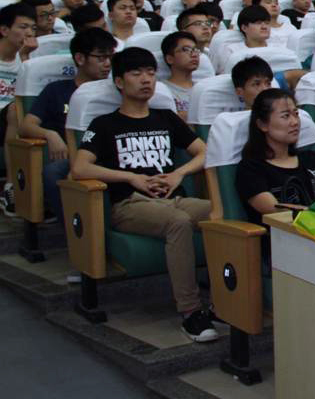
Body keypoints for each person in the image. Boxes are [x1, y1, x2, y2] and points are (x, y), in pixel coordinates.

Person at [72, 48, 217, 342]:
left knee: (219, 212)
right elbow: (80, 167)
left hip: (173, 197)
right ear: (119, 82)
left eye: (151, 73)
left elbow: (205, 152)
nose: (146, 80)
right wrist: (131, 177)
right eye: (136, 73)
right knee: (178, 222)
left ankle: (226, 301)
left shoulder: (166, 117)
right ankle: (190, 312)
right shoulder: (104, 124)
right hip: (129, 204)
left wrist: (179, 173)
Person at [18, 28, 116, 225]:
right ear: (80, 58)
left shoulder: (116, 90)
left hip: (112, 153)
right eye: (100, 58)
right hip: (73, 154)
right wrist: (50, 134)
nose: (107, 64)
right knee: (54, 172)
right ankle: (76, 230)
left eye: (110, 57)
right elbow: (26, 125)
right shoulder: (57, 90)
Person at [235, 89, 315, 247]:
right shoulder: (251, 169)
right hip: (283, 244)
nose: (295, 122)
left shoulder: (312, 159)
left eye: (296, 114)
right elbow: (277, 211)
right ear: (262, 124)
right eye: (285, 116)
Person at [161, 31, 200, 121]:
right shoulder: (161, 90)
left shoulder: (202, 89)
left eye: (195, 50)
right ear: (170, 59)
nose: (194, 55)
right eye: (186, 50)